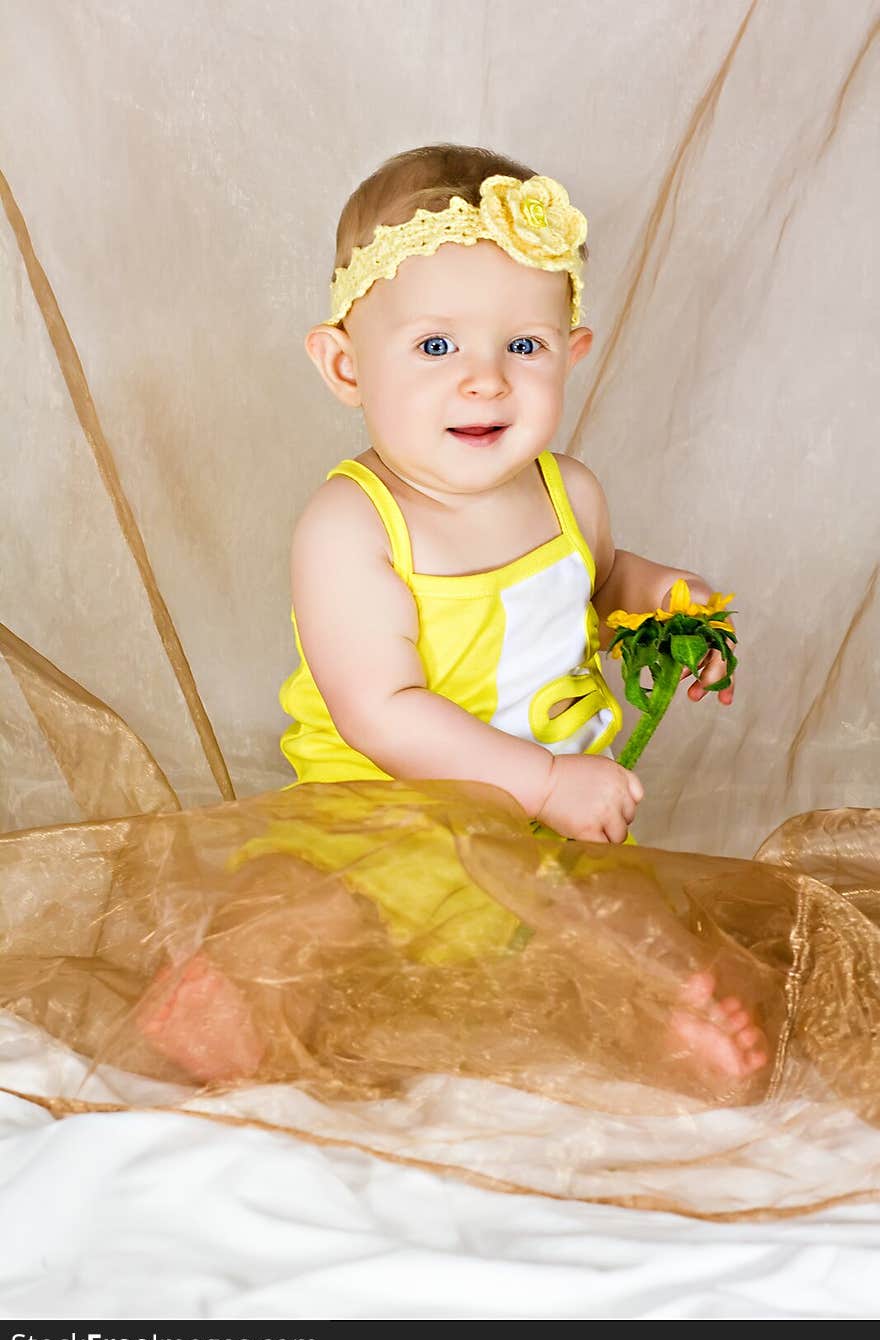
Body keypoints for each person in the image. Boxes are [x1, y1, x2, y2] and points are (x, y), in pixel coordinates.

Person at [139, 144, 768, 1092]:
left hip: (547, 847)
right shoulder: (351, 522)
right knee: (297, 906)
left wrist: (664, 603)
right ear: (346, 365)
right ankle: (232, 992)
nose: (485, 380)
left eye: (525, 346)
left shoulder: (571, 494)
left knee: (631, 920)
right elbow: (379, 712)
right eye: (436, 348)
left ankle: (674, 1014)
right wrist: (547, 780)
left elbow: (596, 584)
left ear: (574, 353)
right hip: (379, 824)